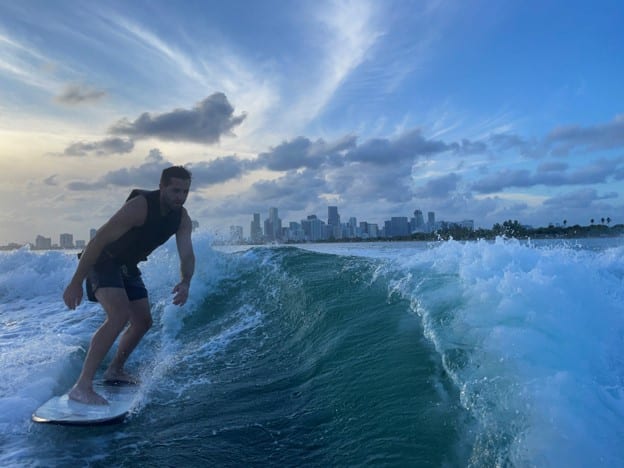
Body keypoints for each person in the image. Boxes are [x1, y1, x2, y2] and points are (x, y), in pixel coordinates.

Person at [63, 166, 195, 405]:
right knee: (118, 315)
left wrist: (186, 281)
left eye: (185, 191)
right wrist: (76, 281)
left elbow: (187, 254)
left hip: (127, 266)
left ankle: (114, 370)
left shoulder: (181, 218)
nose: (180, 196)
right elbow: (98, 240)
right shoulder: (140, 207)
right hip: (102, 259)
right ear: (162, 186)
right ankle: (81, 387)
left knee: (143, 321)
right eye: (175, 190)